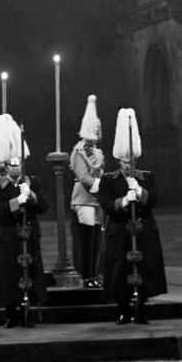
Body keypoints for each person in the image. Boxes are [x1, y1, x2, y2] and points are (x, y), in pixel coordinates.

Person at [97, 107, 167, 324]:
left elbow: (154, 200)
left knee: (144, 269)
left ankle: (141, 308)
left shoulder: (146, 177)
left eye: (131, 162)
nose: (128, 166)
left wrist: (140, 192)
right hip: (120, 231)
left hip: (143, 229)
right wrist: (124, 201)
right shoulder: (109, 179)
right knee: (120, 270)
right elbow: (107, 204)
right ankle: (123, 310)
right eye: (125, 162)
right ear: (119, 161)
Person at [0, 114, 48, 327]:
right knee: (9, 276)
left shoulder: (32, 182)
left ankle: (28, 312)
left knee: (31, 273)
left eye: (18, 163)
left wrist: (30, 196)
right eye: (11, 164)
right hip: (8, 236)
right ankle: (11, 314)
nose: (15, 168)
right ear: (5, 165)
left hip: (29, 234)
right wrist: (16, 201)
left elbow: (43, 207)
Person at [69, 94, 104, 289]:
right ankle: (86, 274)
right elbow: (83, 176)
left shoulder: (96, 151)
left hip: (97, 198)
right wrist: (100, 185)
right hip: (84, 197)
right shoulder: (79, 150)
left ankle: (93, 274)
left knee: (96, 238)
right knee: (87, 237)